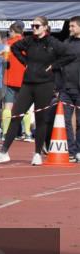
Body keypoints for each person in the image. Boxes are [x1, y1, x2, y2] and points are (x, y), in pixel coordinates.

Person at [0, 16, 64, 166]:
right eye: (33, 26)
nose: (34, 28)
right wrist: (25, 63)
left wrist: (54, 66)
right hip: (28, 84)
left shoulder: (53, 42)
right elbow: (15, 48)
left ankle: (37, 154)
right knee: (16, 114)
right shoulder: (29, 40)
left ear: (45, 27)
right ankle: (3, 152)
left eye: (37, 26)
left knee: (41, 119)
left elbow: (69, 55)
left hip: (45, 85)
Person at [51, 16, 80, 163]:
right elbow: (57, 65)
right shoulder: (65, 44)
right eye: (69, 26)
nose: (70, 29)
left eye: (73, 26)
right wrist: (57, 86)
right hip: (66, 89)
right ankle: (72, 150)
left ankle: (78, 150)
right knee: (65, 121)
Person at [2, 21, 32, 140]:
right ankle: (28, 133)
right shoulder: (28, 43)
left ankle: (5, 134)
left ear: (13, 32)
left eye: (10, 32)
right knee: (25, 107)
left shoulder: (8, 44)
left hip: (10, 79)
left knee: (8, 106)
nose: (9, 34)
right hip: (24, 79)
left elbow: (5, 60)